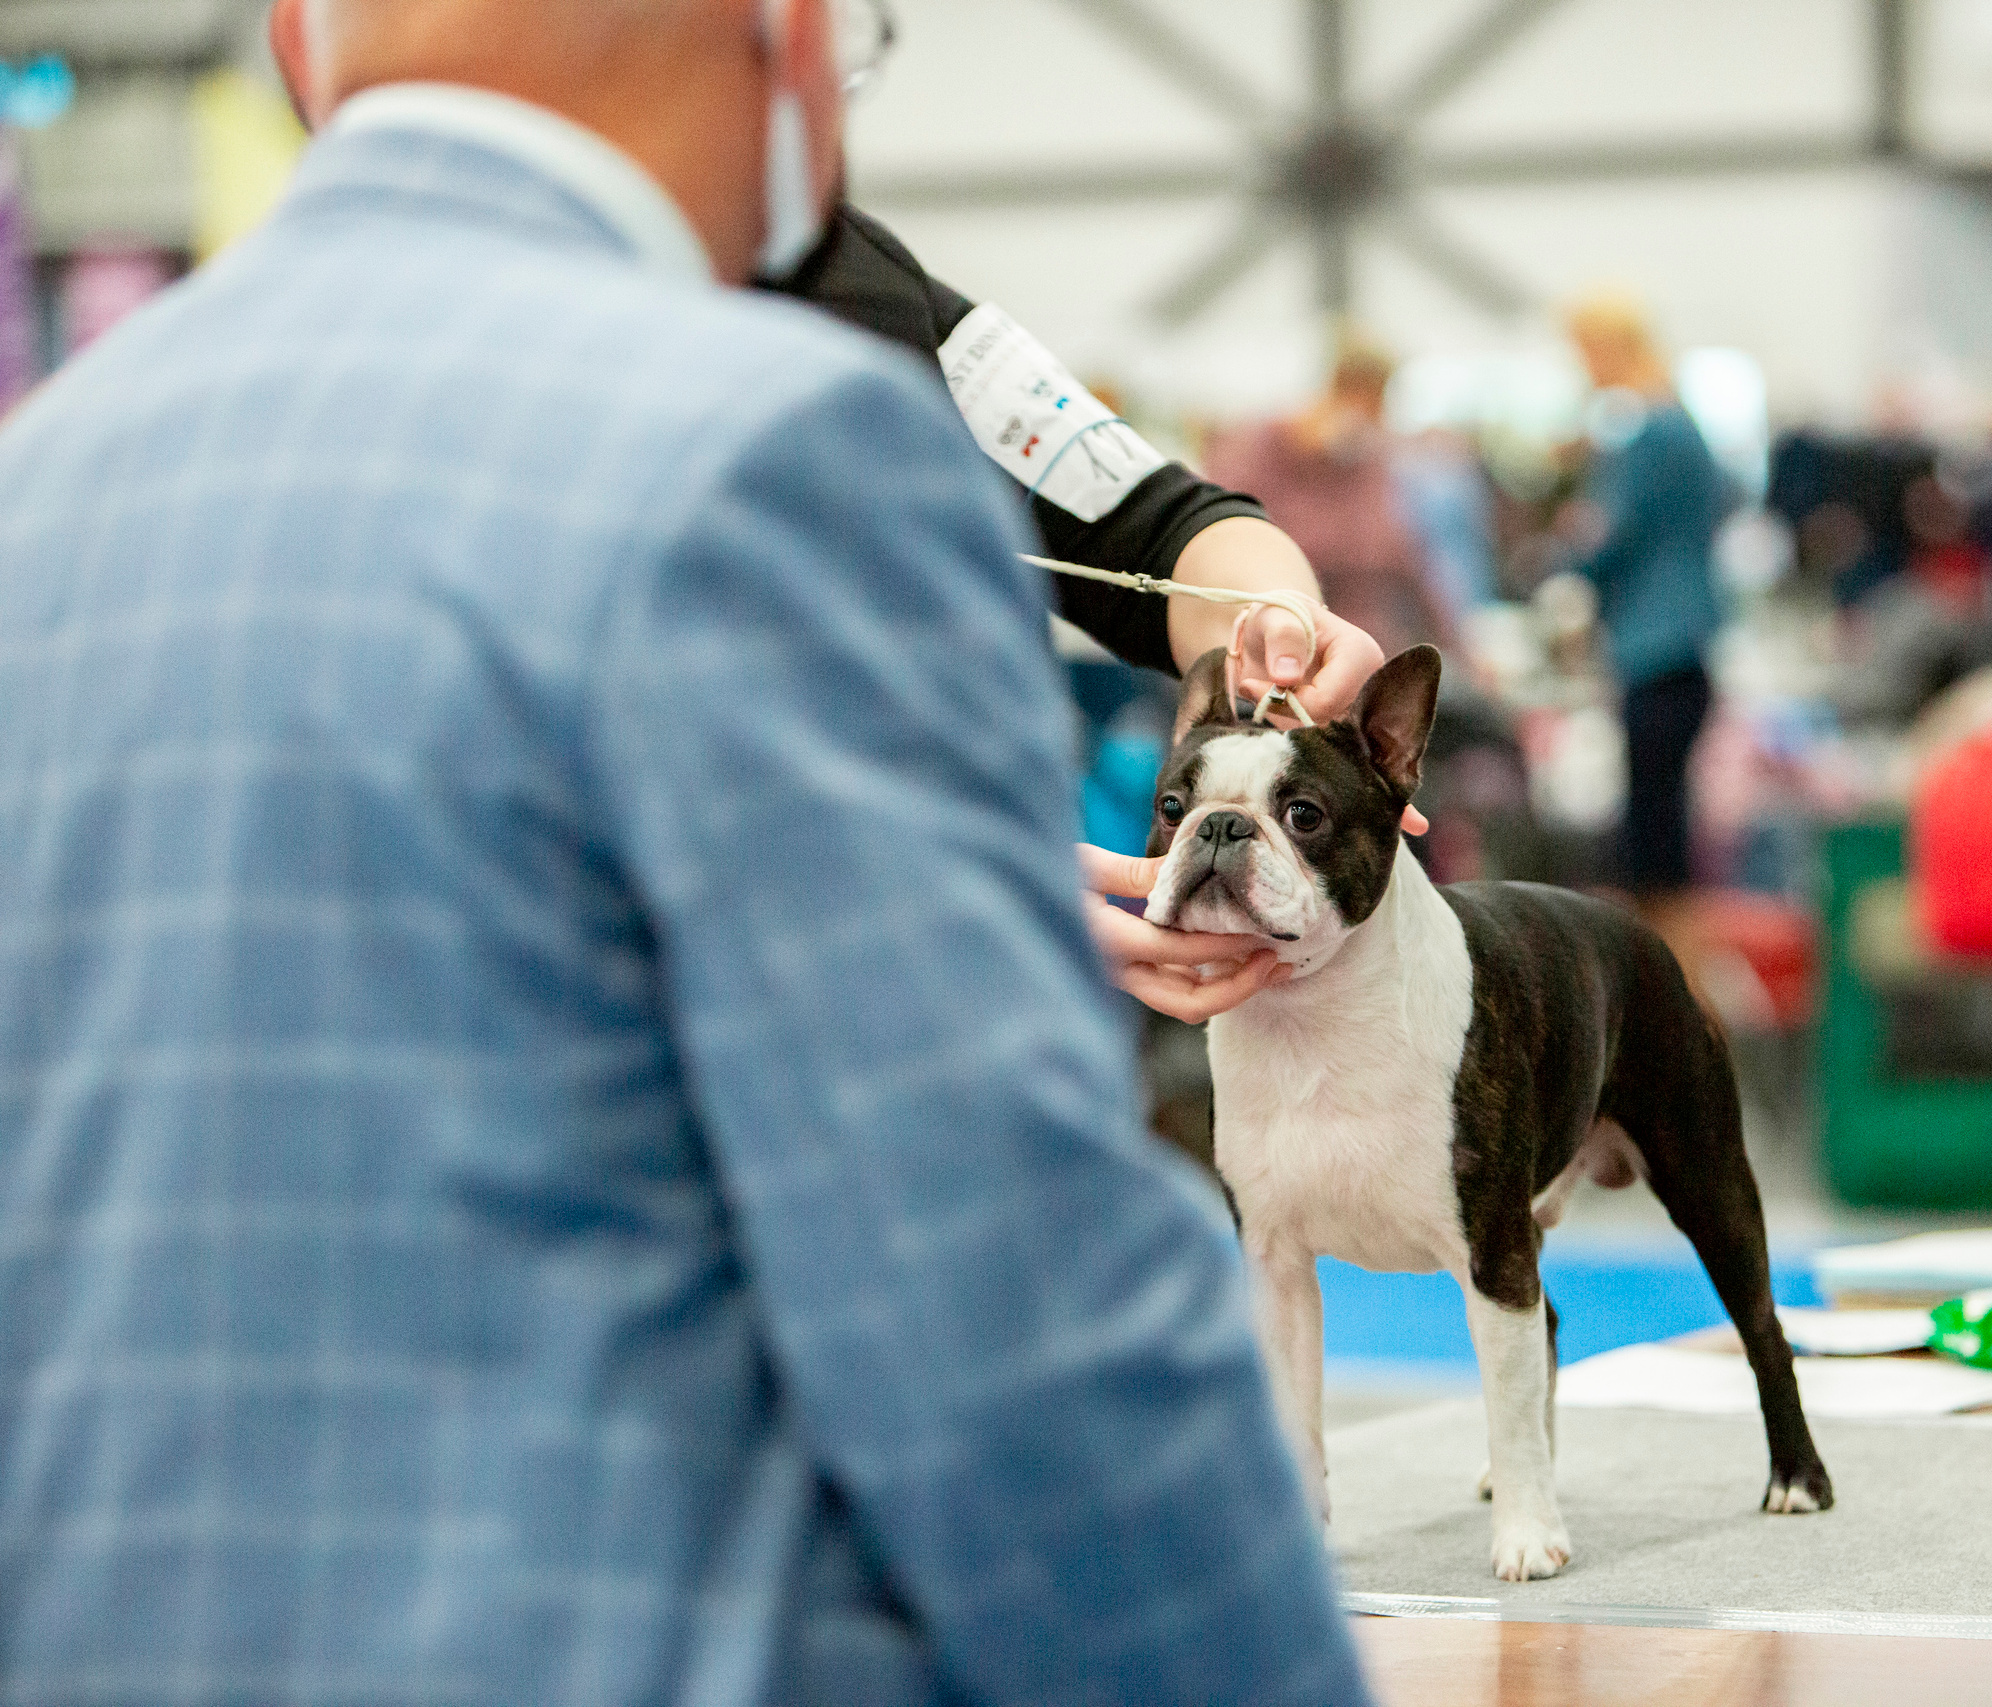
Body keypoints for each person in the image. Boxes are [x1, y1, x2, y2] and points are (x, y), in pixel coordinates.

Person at [0, 1, 1373, 1702]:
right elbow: (1011, 1321)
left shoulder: (45, 479)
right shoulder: (776, 447)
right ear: (793, 42)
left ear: (297, 44)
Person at [265, 0, 1387, 1027]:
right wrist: (959, 901)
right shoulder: (391, 406)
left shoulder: (857, 285)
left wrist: (1275, 623)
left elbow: (1158, 528)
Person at [1561, 293, 1739, 897]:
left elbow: (1612, 539)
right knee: (1665, 820)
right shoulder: (1684, 423)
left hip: (1653, 645)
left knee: (1651, 837)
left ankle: (1659, 971)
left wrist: (1564, 560)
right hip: (1689, 638)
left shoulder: (1645, 432)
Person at [1207, 339, 1474, 662]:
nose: (1378, 417)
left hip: (1366, 651)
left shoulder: (1368, 462)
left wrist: (1460, 646)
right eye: (1371, 403)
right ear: (1340, 389)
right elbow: (1226, 543)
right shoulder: (1255, 451)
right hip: (1277, 648)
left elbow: (1410, 557)